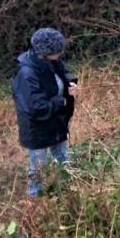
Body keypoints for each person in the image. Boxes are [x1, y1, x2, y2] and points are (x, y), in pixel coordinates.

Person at [12, 26, 76, 197]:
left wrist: (70, 82)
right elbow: (35, 107)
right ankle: (34, 197)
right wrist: (60, 101)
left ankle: (69, 188)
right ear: (45, 52)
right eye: (57, 50)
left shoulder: (52, 62)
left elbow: (63, 73)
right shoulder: (27, 74)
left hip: (56, 122)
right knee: (39, 165)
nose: (60, 53)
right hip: (37, 129)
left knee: (62, 155)